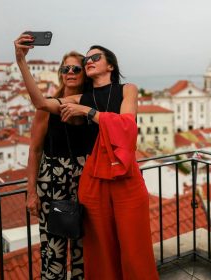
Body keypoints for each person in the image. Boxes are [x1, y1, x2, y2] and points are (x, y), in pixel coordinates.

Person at [14, 34, 159, 280]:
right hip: (91, 180)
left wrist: (88, 112)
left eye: (94, 57)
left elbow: (126, 127)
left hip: (119, 175)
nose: (88, 61)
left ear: (110, 65)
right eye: (86, 58)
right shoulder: (80, 99)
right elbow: (40, 103)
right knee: (98, 251)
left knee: (132, 248)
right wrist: (20, 60)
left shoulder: (126, 90)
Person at [15, 36, 87, 279]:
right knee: (53, 252)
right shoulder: (46, 109)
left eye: (76, 68)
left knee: (84, 253)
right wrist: (31, 192)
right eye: (65, 68)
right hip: (53, 185)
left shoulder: (90, 106)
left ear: (84, 73)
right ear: (60, 73)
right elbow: (35, 151)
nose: (70, 72)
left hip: (85, 186)